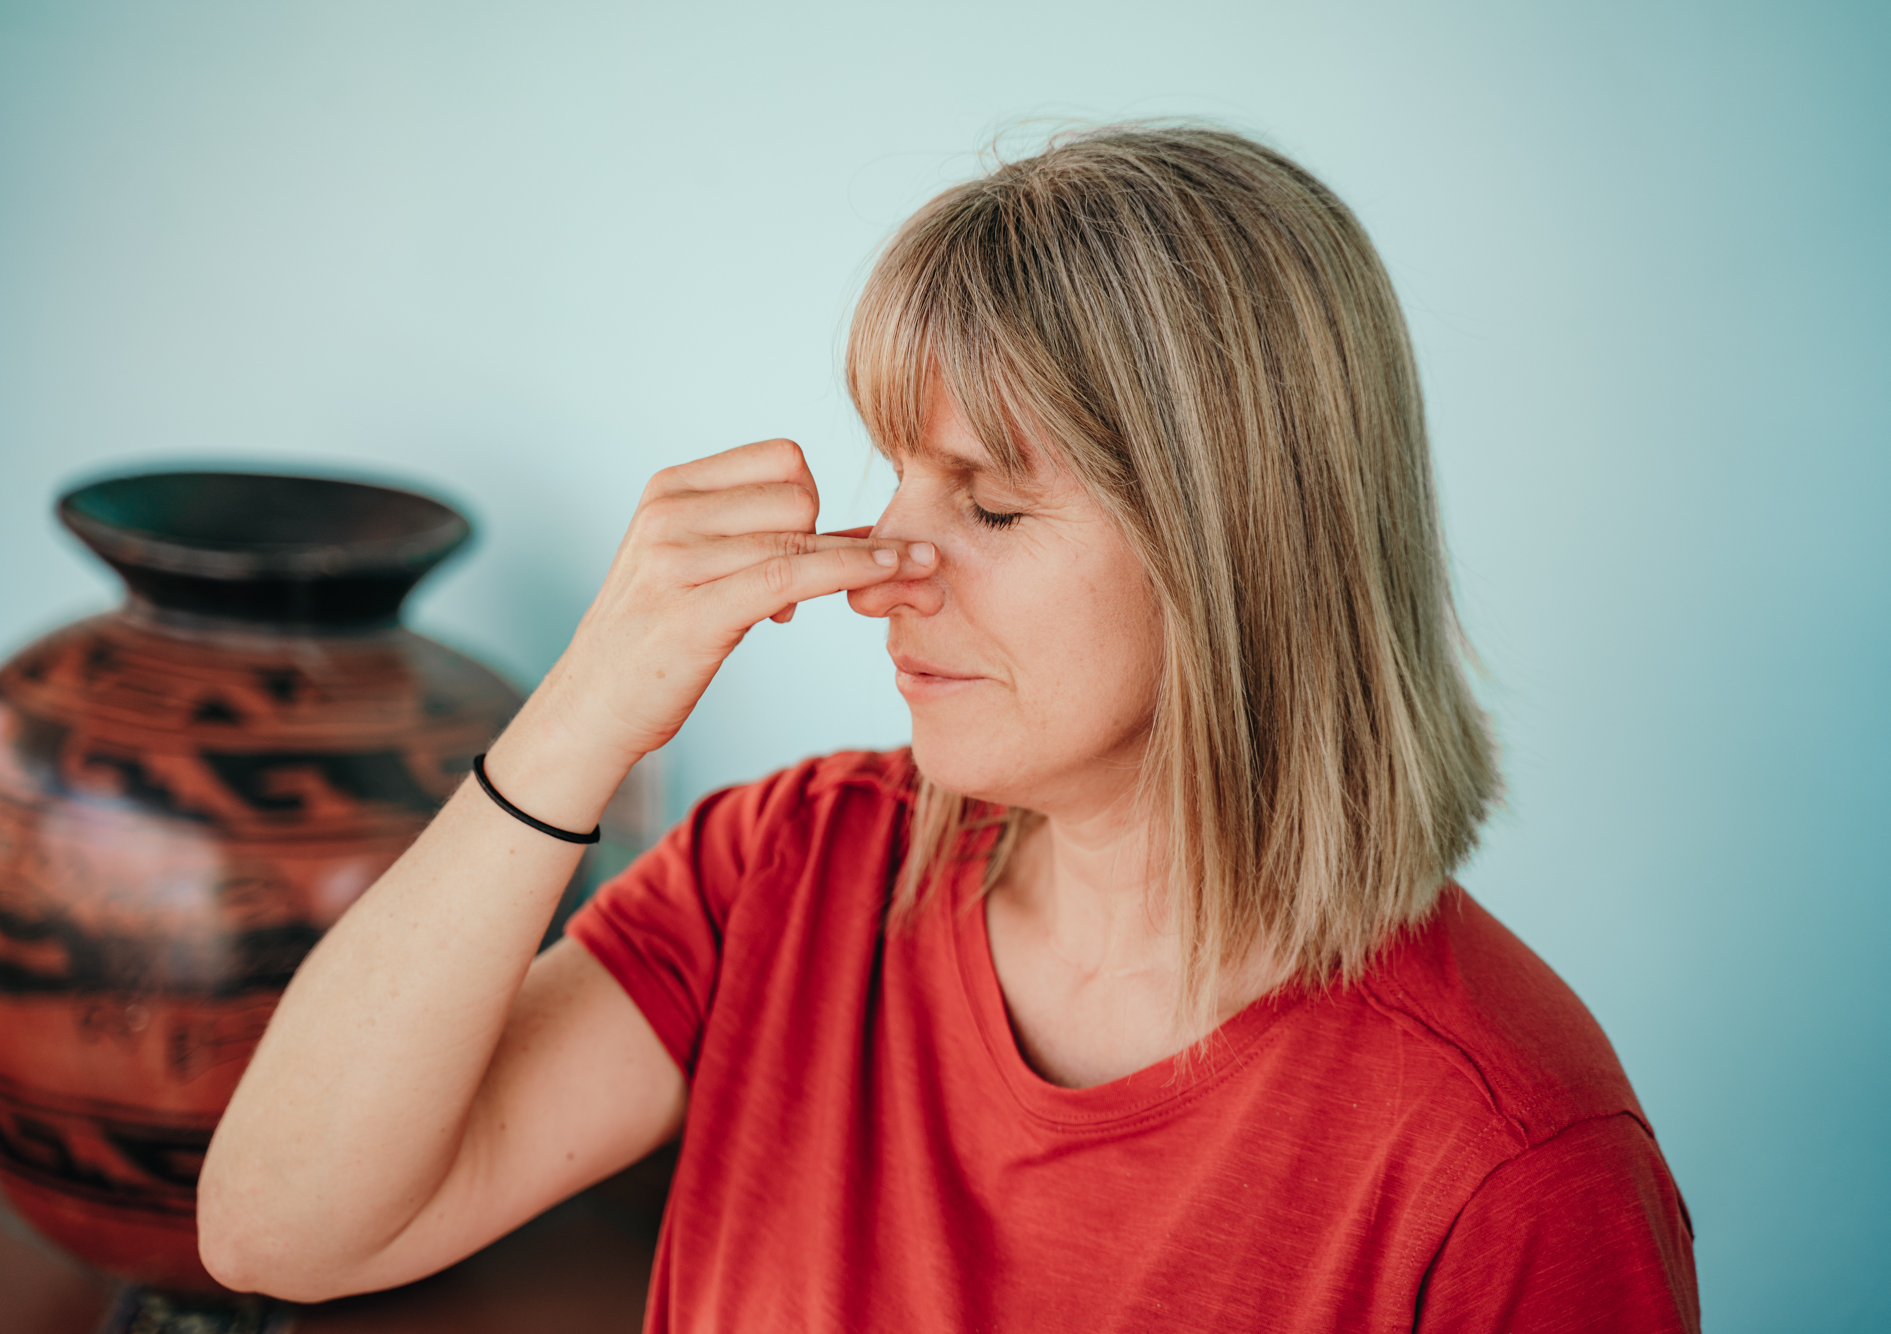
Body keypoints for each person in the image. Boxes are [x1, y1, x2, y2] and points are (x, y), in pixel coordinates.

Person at [198, 124, 1700, 1332]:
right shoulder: (787, 869)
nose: (883, 575)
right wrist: (586, 708)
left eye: (985, 499)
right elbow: (283, 1229)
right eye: (898, 475)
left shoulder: (1509, 1159)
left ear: (1239, 546)